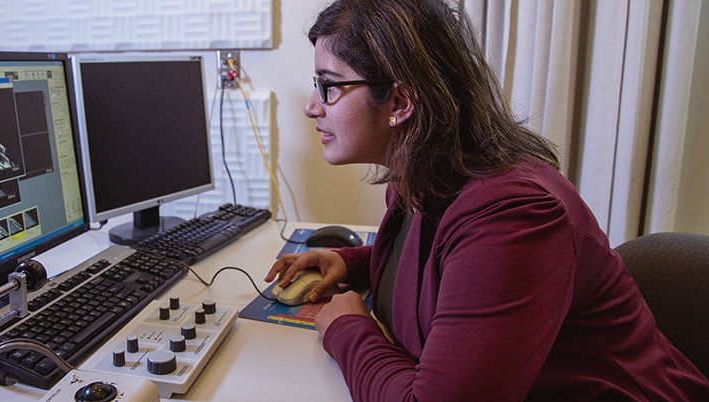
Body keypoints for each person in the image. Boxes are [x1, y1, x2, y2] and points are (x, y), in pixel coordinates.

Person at [265, 0, 709, 401]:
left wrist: (348, 329)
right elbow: (444, 265)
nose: (310, 106)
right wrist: (355, 262)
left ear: (399, 101)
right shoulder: (421, 175)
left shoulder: (514, 217)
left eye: (329, 85)